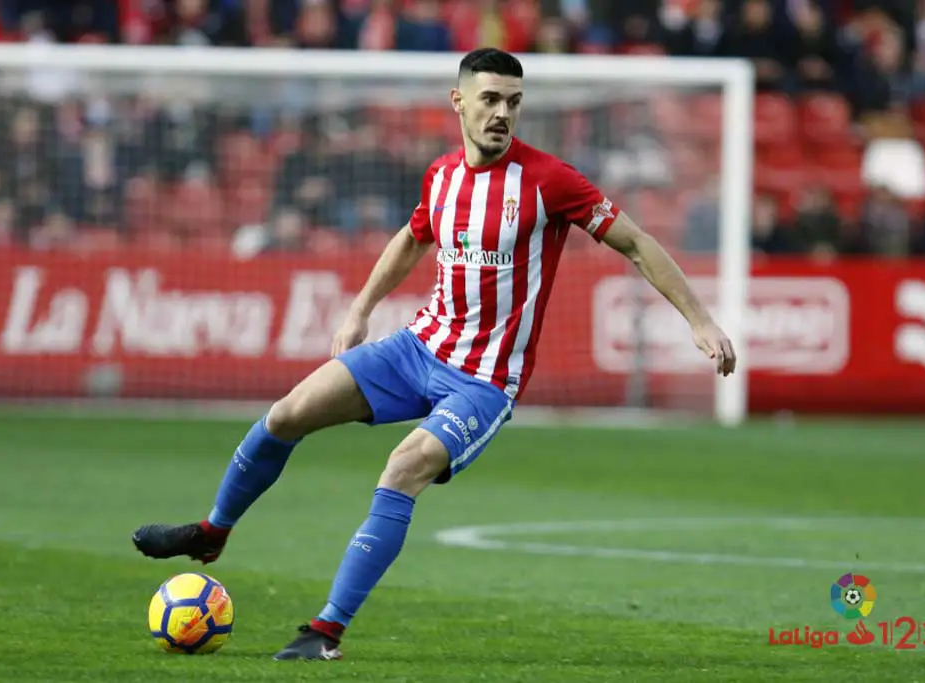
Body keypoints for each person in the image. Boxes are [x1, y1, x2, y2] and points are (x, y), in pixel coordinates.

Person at [131, 47, 737, 661]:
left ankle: (325, 632)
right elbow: (412, 237)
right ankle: (212, 533)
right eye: (491, 99)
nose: (502, 113)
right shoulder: (442, 175)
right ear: (460, 102)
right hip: (418, 348)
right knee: (287, 414)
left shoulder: (550, 181)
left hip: (484, 381)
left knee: (403, 468)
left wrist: (700, 318)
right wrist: (360, 308)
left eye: (514, 103)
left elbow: (634, 242)